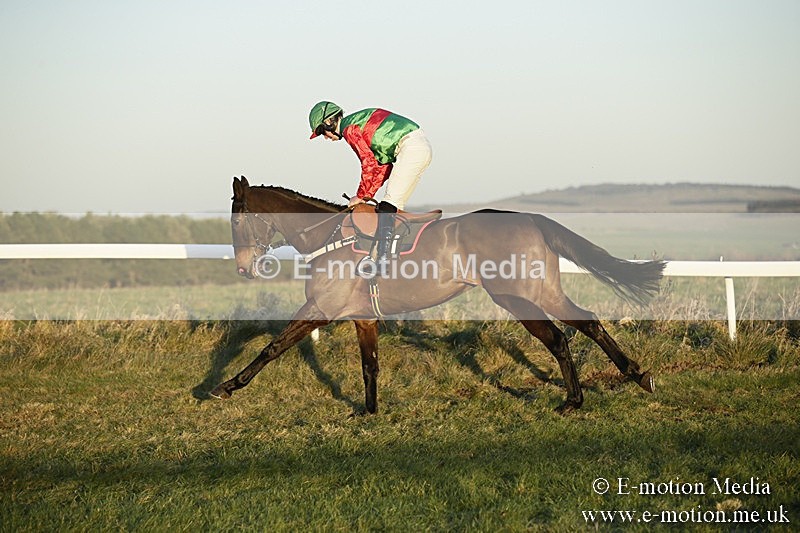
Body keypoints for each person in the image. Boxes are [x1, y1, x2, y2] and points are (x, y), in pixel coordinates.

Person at [309, 101, 432, 273]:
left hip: (410, 147)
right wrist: (365, 197)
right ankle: (394, 256)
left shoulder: (349, 129)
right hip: (417, 147)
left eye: (322, 132)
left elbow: (368, 162)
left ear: (329, 122)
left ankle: (381, 261)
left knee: (388, 207)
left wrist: (360, 195)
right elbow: (381, 167)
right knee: (394, 208)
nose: (326, 137)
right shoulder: (355, 123)